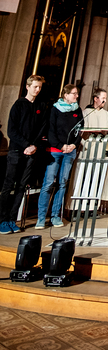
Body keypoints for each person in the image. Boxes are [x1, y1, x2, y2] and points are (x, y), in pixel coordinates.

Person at [0, 74, 47, 234]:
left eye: (39, 87)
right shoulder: (19, 104)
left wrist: (34, 146)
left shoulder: (41, 106)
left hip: (31, 152)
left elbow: (42, 129)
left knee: (21, 186)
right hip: (16, 150)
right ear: (27, 87)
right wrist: (26, 145)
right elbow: (11, 131)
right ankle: (2, 220)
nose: (37, 90)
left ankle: (12, 219)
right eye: (35, 86)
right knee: (8, 186)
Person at [36, 83, 83, 229]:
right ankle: (41, 217)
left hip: (70, 151)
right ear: (66, 95)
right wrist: (61, 145)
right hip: (55, 150)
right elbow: (50, 130)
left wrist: (74, 145)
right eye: (74, 93)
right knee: (49, 183)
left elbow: (80, 129)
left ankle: (55, 215)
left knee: (62, 183)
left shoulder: (78, 110)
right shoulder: (55, 109)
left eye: (77, 93)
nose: (77, 96)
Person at [69, 88, 108, 212]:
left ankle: (91, 207)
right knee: (82, 178)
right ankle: (77, 208)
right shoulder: (86, 113)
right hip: (87, 150)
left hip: (99, 151)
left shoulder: (105, 114)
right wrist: (86, 143)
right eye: (102, 98)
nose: (104, 100)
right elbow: (79, 131)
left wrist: (107, 143)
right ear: (95, 98)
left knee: (95, 179)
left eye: (105, 98)